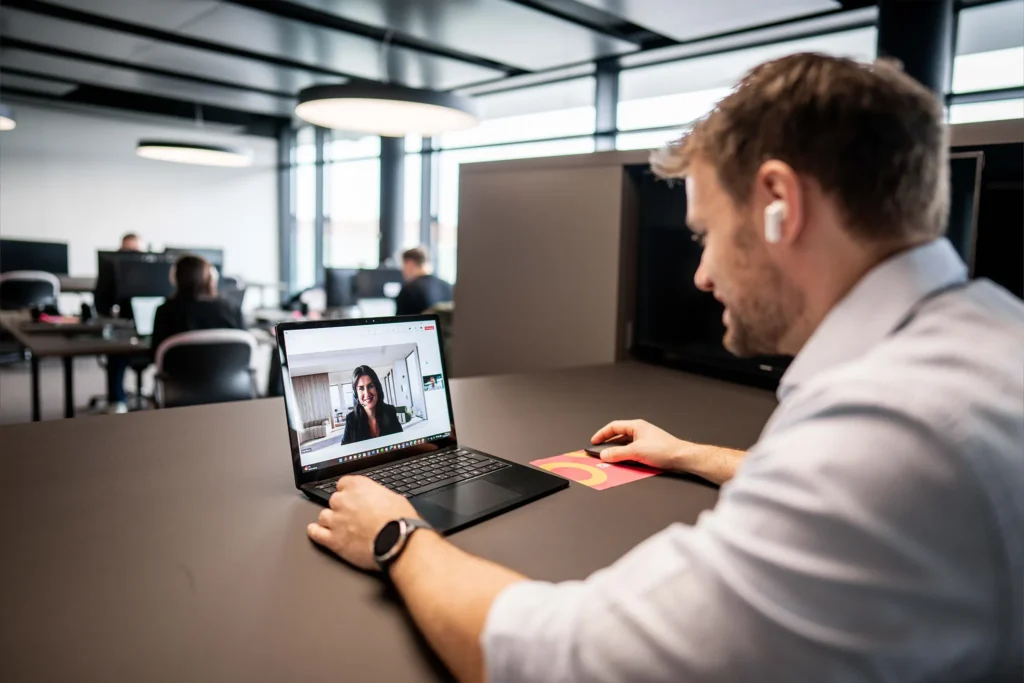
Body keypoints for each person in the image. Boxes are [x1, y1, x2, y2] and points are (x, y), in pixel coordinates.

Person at [305, 53, 1024, 682]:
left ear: (779, 205)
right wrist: (689, 453)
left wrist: (398, 535)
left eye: (706, 234)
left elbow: (564, 659)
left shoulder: (889, 432)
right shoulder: (986, 342)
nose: (702, 275)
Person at [150, 255, 244, 360]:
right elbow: (243, 350)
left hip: (180, 375)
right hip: (227, 375)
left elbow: (156, 353)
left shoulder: (166, 311)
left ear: (175, 278)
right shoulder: (232, 309)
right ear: (211, 278)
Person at [104, 232, 145, 413]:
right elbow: (102, 302)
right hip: (122, 327)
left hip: (150, 328)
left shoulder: (152, 274)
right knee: (116, 350)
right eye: (127, 251)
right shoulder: (111, 270)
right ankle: (117, 400)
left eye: (137, 252)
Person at [340, 365, 403, 445]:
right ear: (356, 394)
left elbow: (401, 443)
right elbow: (344, 452)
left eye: (370, 386)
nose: (367, 393)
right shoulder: (351, 420)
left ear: (377, 388)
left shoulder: (390, 411)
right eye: (361, 388)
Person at [394, 247, 453, 316]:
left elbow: (400, 322)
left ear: (410, 263)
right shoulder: (447, 286)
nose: (402, 270)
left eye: (403, 266)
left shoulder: (409, 289)